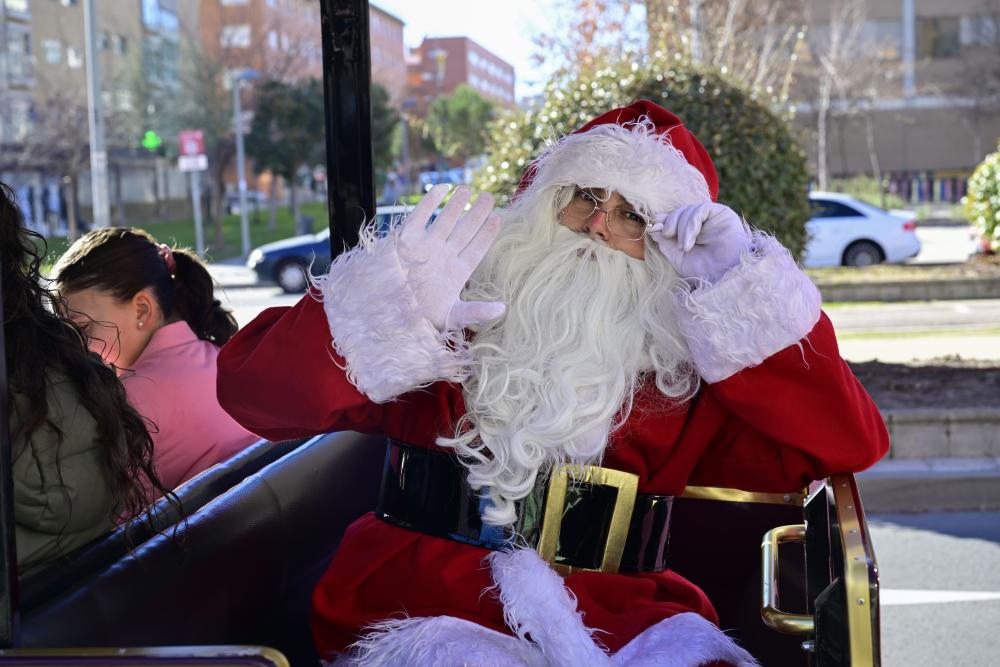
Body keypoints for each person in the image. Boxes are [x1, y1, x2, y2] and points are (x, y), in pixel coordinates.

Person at [216, 100, 889, 666]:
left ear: (665, 245)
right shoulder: (451, 313)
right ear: (546, 202)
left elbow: (846, 441)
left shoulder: (684, 366)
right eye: (585, 198)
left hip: (624, 617)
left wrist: (740, 292)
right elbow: (251, 392)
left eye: (632, 216)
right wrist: (387, 311)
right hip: (420, 596)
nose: (597, 225)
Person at [1, 182, 170, 574]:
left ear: (143, 309)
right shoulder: (89, 395)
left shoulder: (149, 395)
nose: (82, 347)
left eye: (81, 329)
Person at [53, 228, 258, 491]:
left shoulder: (128, 405)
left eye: (83, 329)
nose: (76, 349)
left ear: (142, 309)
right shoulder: (217, 358)